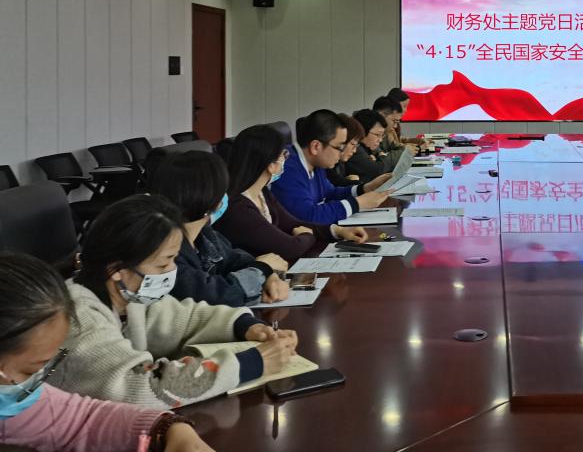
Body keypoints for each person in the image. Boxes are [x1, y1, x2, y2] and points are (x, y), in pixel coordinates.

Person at [53, 196, 298, 409]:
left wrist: (246, 326)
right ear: (117, 269)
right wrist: (250, 364)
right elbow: (142, 386)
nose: (172, 270)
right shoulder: (80, 319)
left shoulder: (127, 296)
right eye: (163, 264)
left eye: (173, 260)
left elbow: (186, 317)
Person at [0, 251, 214, 451]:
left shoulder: (16, 398)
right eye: (30, 371)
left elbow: (79, 421)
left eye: (39, 370)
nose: (34, 382)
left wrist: (168, 429)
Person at [150, 151, 290, 307]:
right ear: (214, 201)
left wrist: (268, 276)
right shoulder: (166, 251)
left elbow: (236, 260)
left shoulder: (205, 234)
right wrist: (261, 269)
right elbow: (214, 296)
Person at [218, 124, 368, 264]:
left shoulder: (261, 192)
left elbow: (293, 223)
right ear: (270, 164)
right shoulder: (238, 208)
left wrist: (337, 230)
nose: (286, 158)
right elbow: (290, 248)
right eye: (283, 154)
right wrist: (307, 235)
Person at [271, 109, 391, 224]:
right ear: (316, 146)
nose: (341, 152)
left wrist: (364, 189)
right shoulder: (286, 168)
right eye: (339, 147)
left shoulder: (315, 163)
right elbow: (308, 216)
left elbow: (330, 193)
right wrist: (357, 204)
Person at [345, 109, 390, 186]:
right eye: (377, 135)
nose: (380, 140)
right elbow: (378, 170)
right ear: (363, 130)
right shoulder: (356, 149)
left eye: (382, 135)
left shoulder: (366, 147)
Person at [372, 96, 409, 169]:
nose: (395, 126)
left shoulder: (386, 132)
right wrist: (407, 151)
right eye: (394, 121)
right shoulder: (365, 133)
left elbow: (394, 147)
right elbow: (380, 163)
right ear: (381, 116)